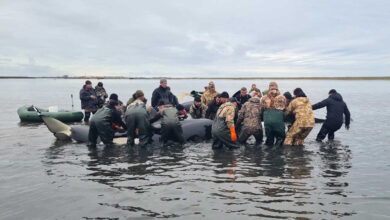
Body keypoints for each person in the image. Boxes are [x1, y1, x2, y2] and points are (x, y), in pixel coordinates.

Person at [260, 82, 287, 146]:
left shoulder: (264, 97)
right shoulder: (282, 97)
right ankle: (279, 152)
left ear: (269, 87)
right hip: (278, 120)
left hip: (267, 120)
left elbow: (262, 109)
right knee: (280, 138)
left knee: (269, 139)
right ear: (277, 87)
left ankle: (268, 154)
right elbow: (285, 109)